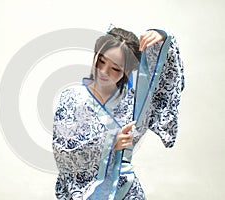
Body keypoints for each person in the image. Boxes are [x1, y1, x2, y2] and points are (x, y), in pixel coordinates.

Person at [52, 26, 184, 199]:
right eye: (101, 61)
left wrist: (163, 39)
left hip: (126, 191)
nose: (104, 71)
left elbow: (164, 83)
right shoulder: (72, 98)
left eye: (115, 69)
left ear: (127, 72)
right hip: (86, 193)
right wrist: (109, 142)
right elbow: (62, 149)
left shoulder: (135, 103)